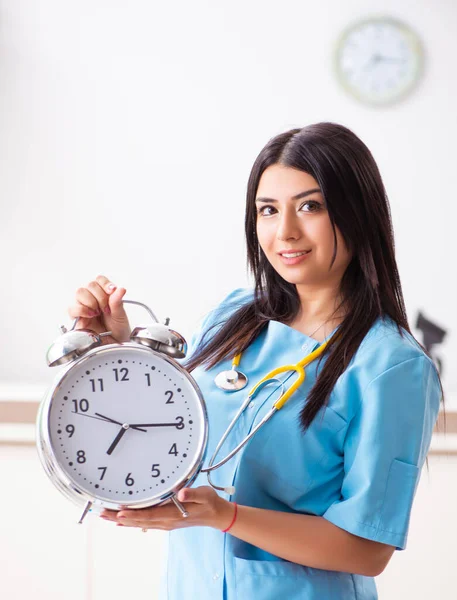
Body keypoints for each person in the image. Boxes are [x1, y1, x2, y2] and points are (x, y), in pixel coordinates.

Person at [69, 122, 442, 600]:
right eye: (268, 210)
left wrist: (224, 516)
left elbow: (367, 548)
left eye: (311, 206)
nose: (285, 231)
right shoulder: (233, 316)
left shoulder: (392, 366)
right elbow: (166, 436)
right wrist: (113, 349)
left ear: (357, 212)